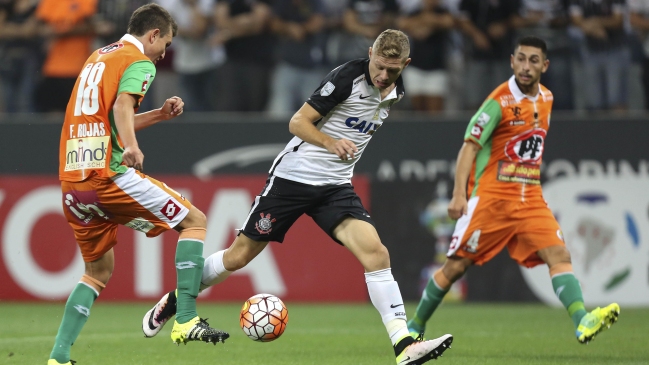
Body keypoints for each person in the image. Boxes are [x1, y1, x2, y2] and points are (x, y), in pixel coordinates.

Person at [142, 29, 453, 365]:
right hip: (293, 179)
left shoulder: (396, 90)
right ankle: (176, 300)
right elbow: (298, 122)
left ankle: (403, 345)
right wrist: (331, 143)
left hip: (335, 186)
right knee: (239, 256)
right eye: (379, 66)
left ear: (406, 64)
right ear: (370, 53)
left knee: (377, 253)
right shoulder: (347, 78)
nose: (383, 75)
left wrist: (339, 153)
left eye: (392, 70)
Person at [406, 36, 620, 345]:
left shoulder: (547, 98)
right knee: (456, 266)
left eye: (533, 60)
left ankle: (582, 320)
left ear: (544, 66)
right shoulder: (498, 102)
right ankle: (415, 324)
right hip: (493, 197)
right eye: (520, 58)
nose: (525, 65)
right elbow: (469, 147)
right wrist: (458, 194)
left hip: (530, 197)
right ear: (511, 61)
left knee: (558, 253)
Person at [49, 4, 228, 365]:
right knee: (194, 222)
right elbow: (121, 108)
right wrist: (131, 146)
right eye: (166, 43)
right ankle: (186, 319)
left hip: (73, 183)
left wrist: (160, 114)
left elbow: (113, 116)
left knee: (97, 271)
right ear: (153, 35)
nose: (165, 53)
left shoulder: (98, 56)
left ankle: (59, 357)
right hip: (107, 176)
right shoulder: (139, 61)